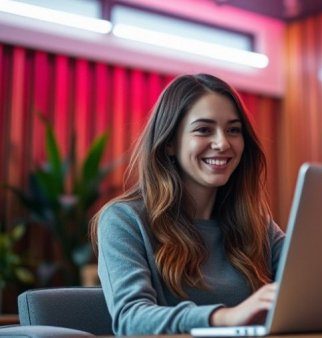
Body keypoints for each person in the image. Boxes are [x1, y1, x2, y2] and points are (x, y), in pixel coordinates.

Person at [89, 73, 285, 335]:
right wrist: (225, 317)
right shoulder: (123, 220)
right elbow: (130, 319)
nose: (223, 143)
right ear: (170, 142)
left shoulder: (257, 223)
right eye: (204, 129)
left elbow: (311, 279)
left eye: (233, 130)